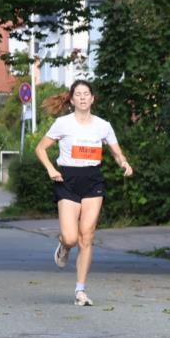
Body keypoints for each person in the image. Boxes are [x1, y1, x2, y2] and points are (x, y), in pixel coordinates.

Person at [34, 80, 132, 307]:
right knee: (71, 238)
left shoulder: (103, 126)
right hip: (67, 181)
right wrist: (50, 169)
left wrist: (124, 163)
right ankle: (64, 246)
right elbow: (40, 148)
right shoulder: (62, 123)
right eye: (78, 94)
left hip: (93, 181)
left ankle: (80, 290)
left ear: (92, 98)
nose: (82, 98)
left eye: (86, 94)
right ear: (71, 99)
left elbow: (117, 152)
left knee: (86, 237)